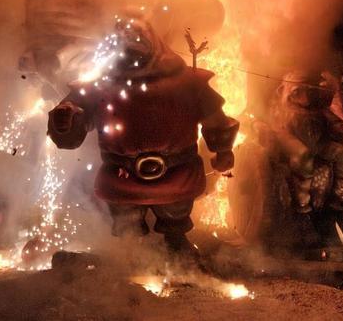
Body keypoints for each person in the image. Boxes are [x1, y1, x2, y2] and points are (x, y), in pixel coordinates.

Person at [47, 16, 238, 252]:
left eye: (137, 37)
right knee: (128, 229)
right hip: (122, 176)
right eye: (125, 38)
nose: (131, 44)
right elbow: (75, 117)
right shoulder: (100, 86)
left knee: (175, 221)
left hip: (177, 174)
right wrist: (65, 120)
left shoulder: (187, 81)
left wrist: (223, 149)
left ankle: (176, 248)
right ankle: (132, 257)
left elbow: (214, 118)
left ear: (154, 40)